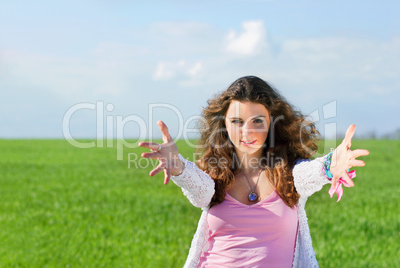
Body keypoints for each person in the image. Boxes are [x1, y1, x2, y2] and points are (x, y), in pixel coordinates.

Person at [139, 76, 369, 267]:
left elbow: (311, 173)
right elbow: (197, 187)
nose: (247, 132)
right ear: (224, 125)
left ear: (271, 123)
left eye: (257, 121)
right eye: (237, 121)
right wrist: (178, 167)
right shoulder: (214, 176)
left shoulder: (288, 174)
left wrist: (330, 166)